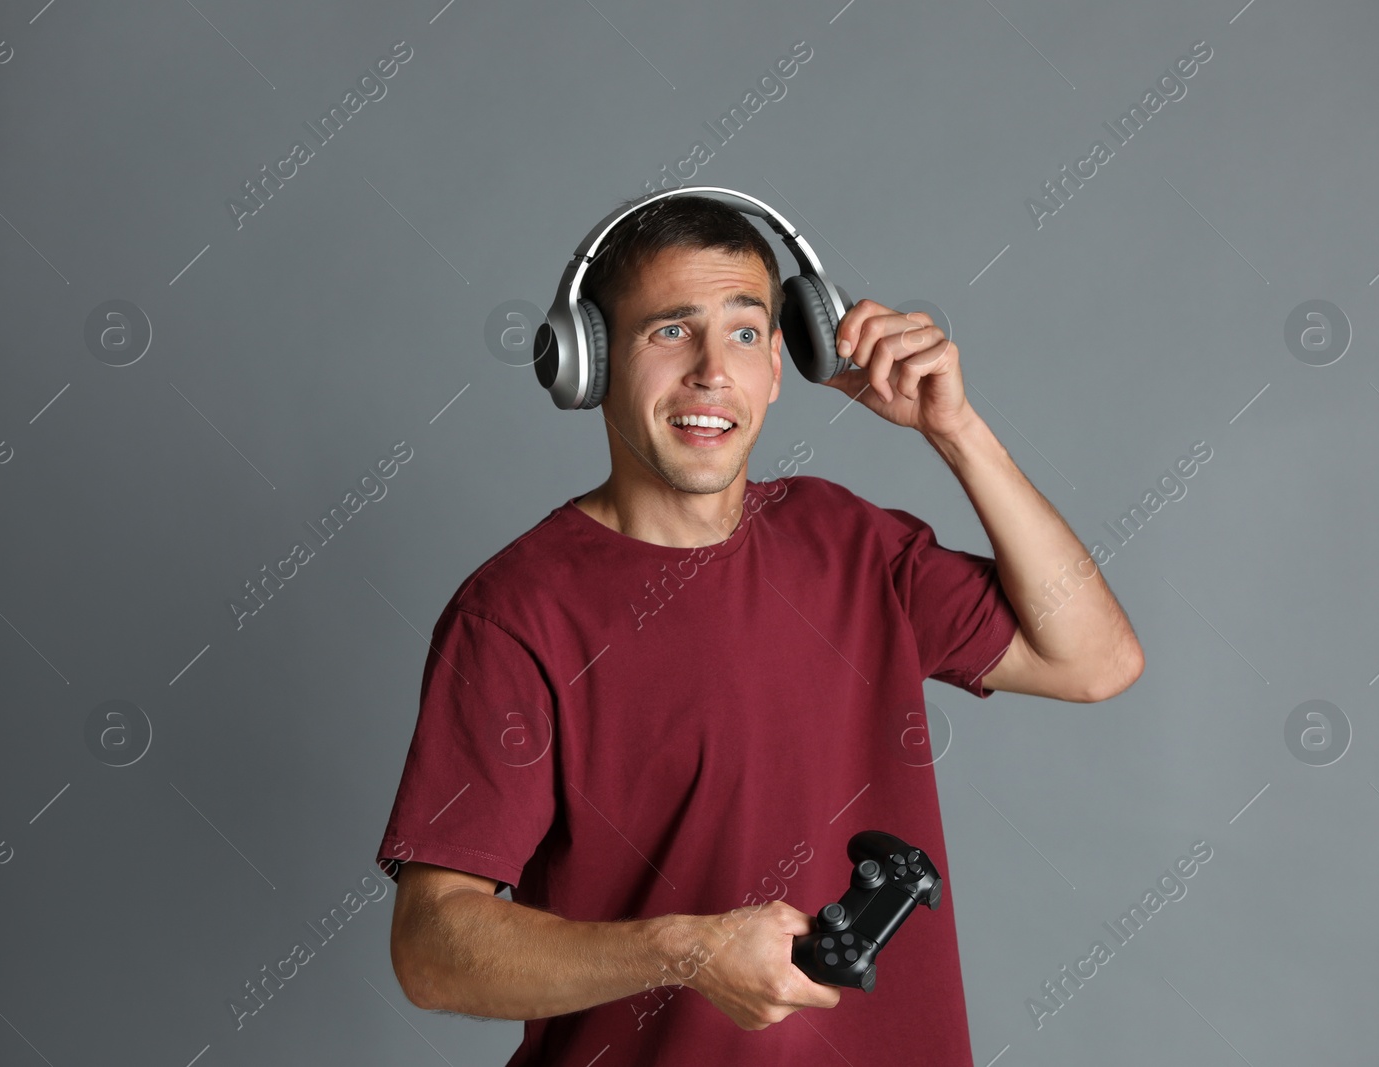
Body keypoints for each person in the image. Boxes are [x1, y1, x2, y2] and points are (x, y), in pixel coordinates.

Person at [374, 194, 1144, 1064]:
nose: (711, 370)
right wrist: (685, 950)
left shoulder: (849, 543)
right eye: (670, 331)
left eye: (745, 334)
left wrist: (953, 427)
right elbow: (432, 949)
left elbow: (1094, 657)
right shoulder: (515, 612)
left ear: (781, 365)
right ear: (589, 362)